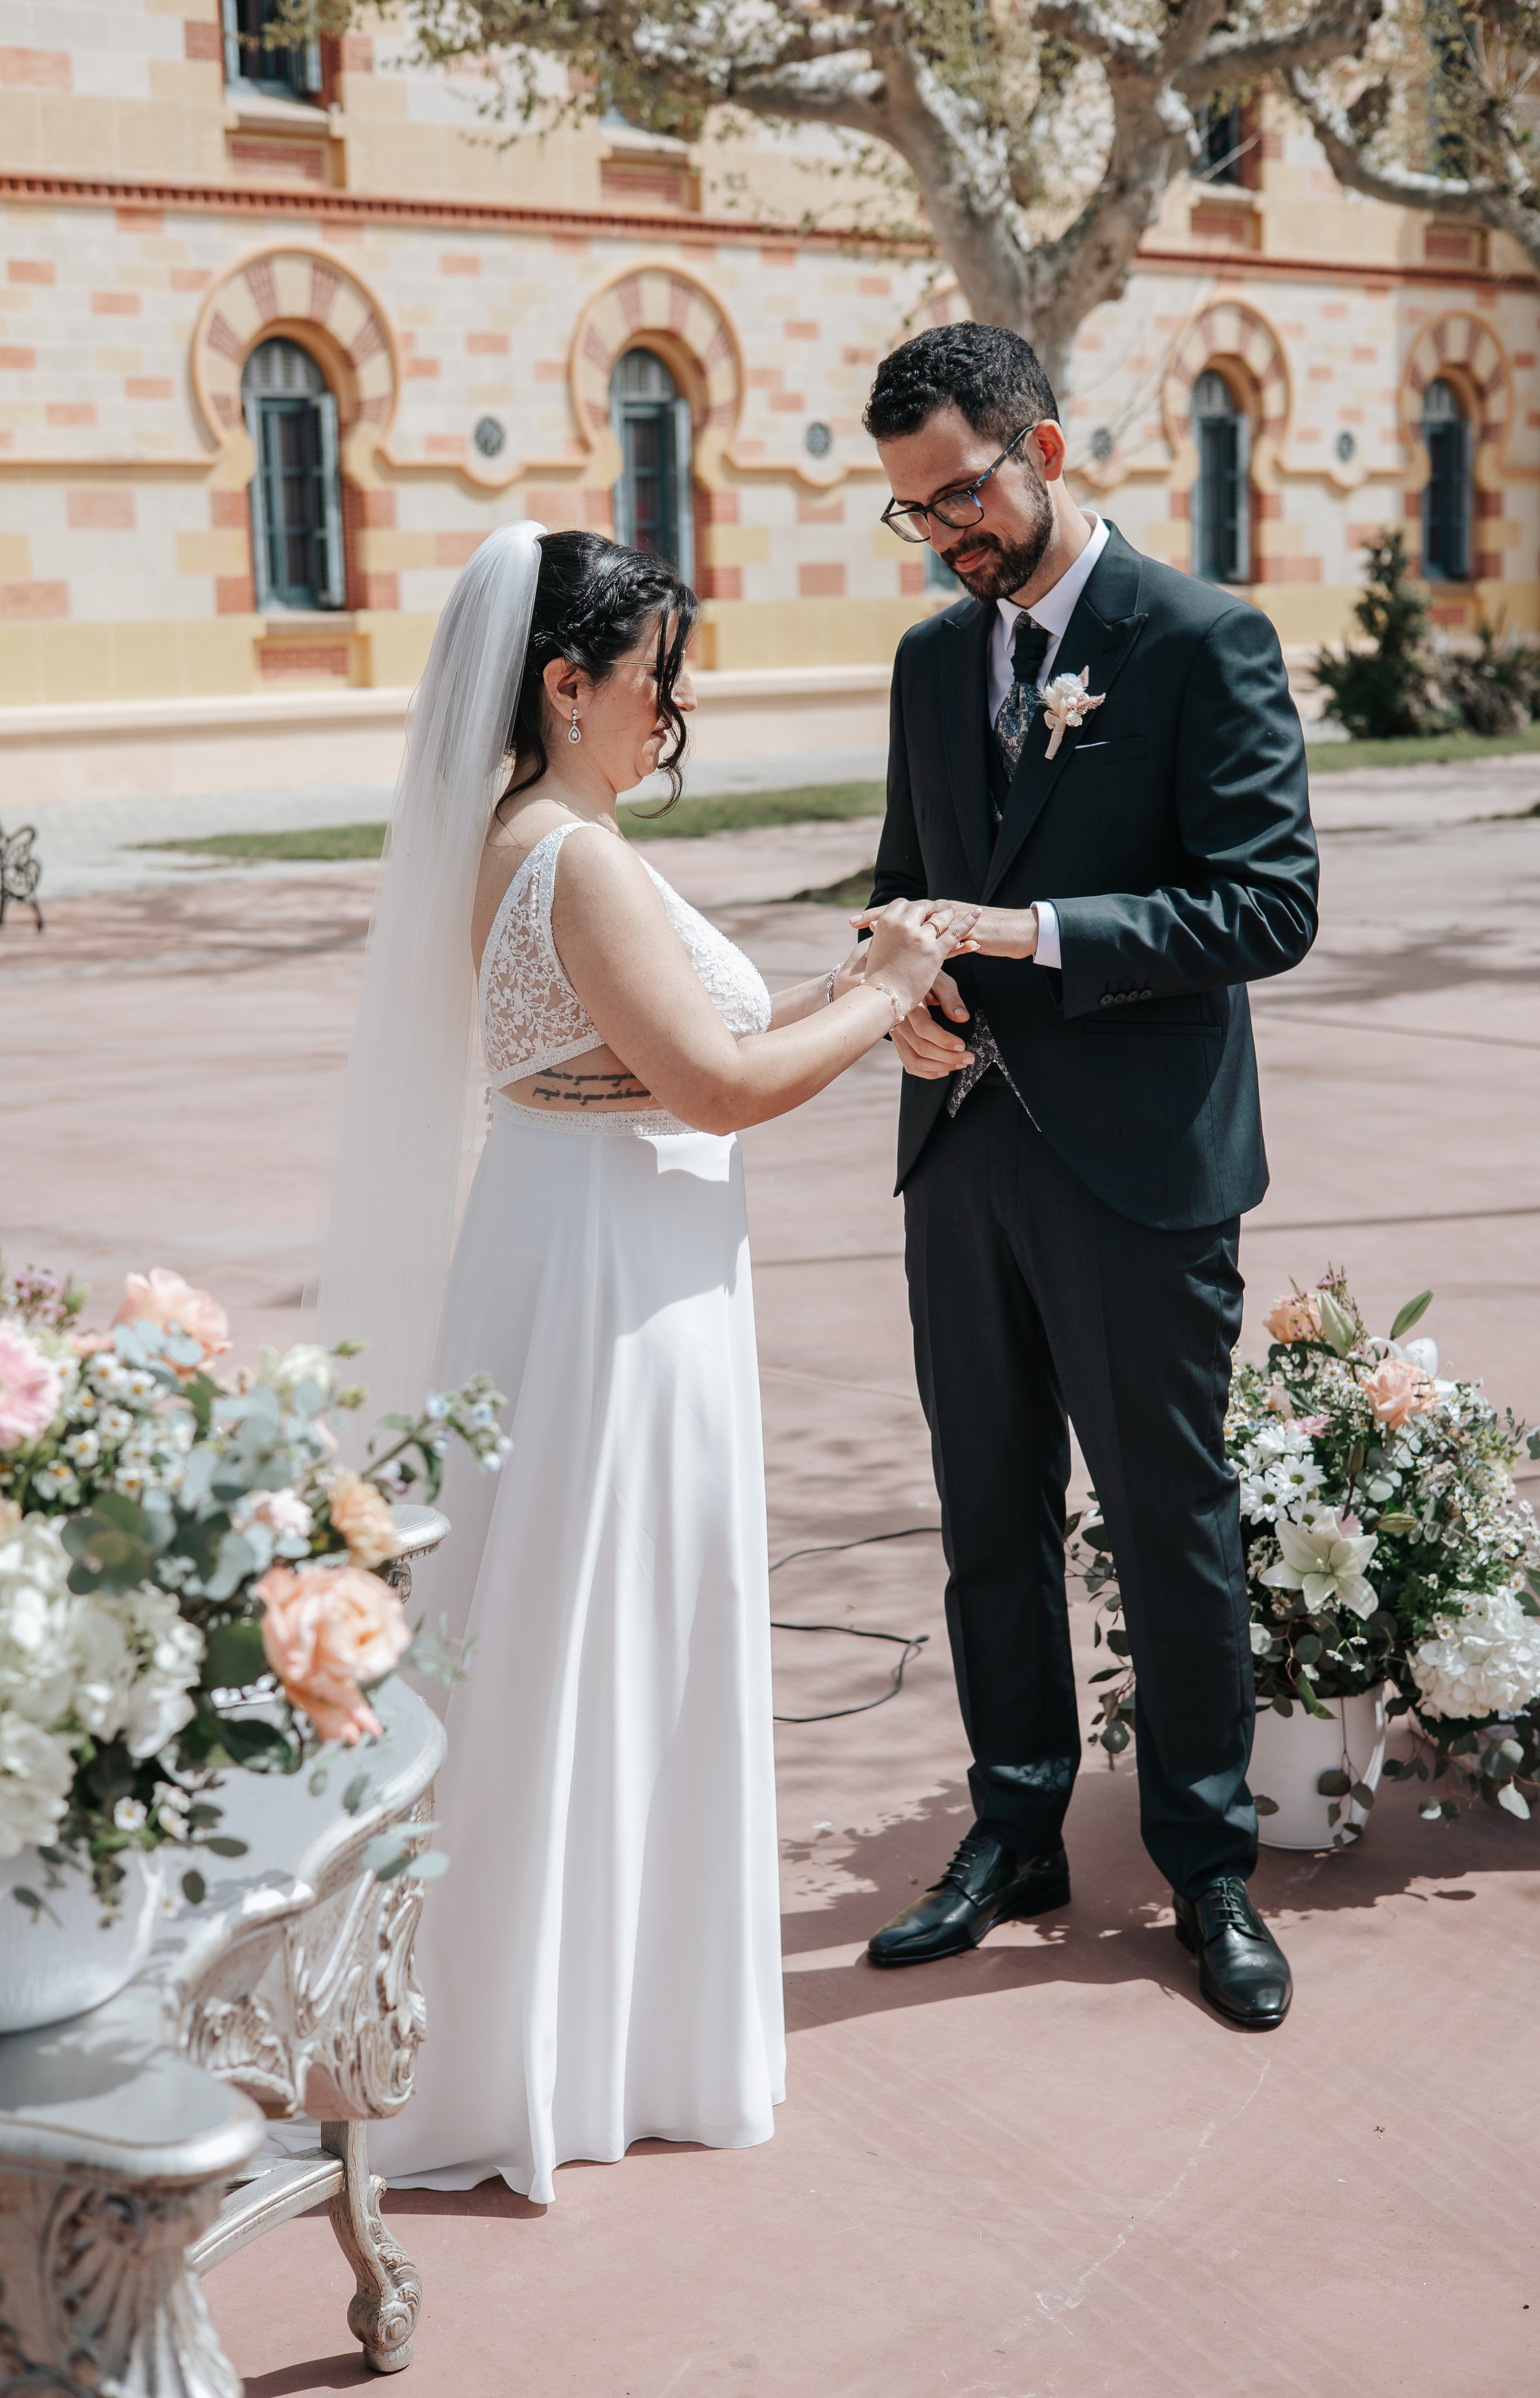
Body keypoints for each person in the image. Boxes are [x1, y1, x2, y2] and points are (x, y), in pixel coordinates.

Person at [318, 524, 974, 2199]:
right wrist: (892, 976)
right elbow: (717, 1089)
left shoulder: (534, 832)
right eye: (651, 674)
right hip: (614, 1282)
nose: (670, 708)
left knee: (567, 1634)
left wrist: (839, 999)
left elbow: (678, 1057)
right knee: (591, 1628)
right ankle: (567, 2047)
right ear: (564, 682)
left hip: (586, 1240)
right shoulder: (574, 851)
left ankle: (567, 2026)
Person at [852, 323, 1319, 2030]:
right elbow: (907, 880)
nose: (950, 537)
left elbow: (1267, 905)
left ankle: (1208, 1865)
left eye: (963, 495)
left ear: (1044, 447)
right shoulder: (929, 663)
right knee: (987, 1518)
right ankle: (1017, 1824)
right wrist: (891, 994)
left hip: (1141, 1173)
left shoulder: (1202, 640)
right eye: (916, 515)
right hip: (961, 1156)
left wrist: (1025, 934)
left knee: (1172, 1529)